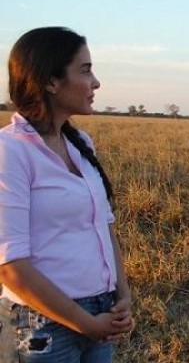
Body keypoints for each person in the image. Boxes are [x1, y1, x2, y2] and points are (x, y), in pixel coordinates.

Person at [0, 27, 134, 362]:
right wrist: (84, 322)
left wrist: (123, 294)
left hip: (101, 312)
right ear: (51, 81)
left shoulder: (80, 144)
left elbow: (103, 225)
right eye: (85, 70)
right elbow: (10, 266)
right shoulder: (10, 150)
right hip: (42, 325)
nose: (96, 83)